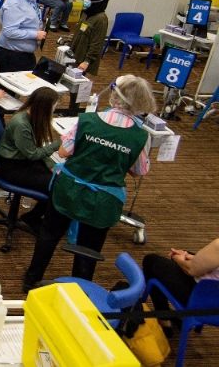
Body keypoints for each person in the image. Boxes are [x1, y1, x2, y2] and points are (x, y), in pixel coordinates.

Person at [23, 74, 156, 290]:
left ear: (114, 95)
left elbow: (64, 151)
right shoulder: (140, 136)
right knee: (89, 248)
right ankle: (81, 289)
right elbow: (140, 171)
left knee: (49, 235)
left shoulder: (87, 121)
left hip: (68, 189)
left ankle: (31, 278)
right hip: (103, 200)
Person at [0, 87, 61, 230]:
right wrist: (58, 144)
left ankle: (35, 216)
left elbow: (34, 150)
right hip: (12, 167)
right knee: (56, 187)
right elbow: (32, 154)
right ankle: (33, 218)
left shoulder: (31, 117)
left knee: (58, 179)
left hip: (22, 161)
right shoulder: (21, 124)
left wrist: (51, 165)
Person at [143, 238, 219, 336]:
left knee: (151, 261)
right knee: (187, 255)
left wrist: (177, 258)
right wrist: (187, 256)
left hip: (200, 302)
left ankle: (164, 320)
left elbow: (190, 270)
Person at [0, 0, 46, 74]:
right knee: (6, 88)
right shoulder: (14, 5)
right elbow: (9, 32)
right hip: (11, 54)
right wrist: (35, 34)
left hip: (22, 53)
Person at [69, 0, 110, 76]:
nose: (85, 1)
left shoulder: (101, 19)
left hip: (84, 57)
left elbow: (97, 43)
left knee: (77, 83)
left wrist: (87, 61)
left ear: (96, 1)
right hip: (75, 52)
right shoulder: (87, 13)